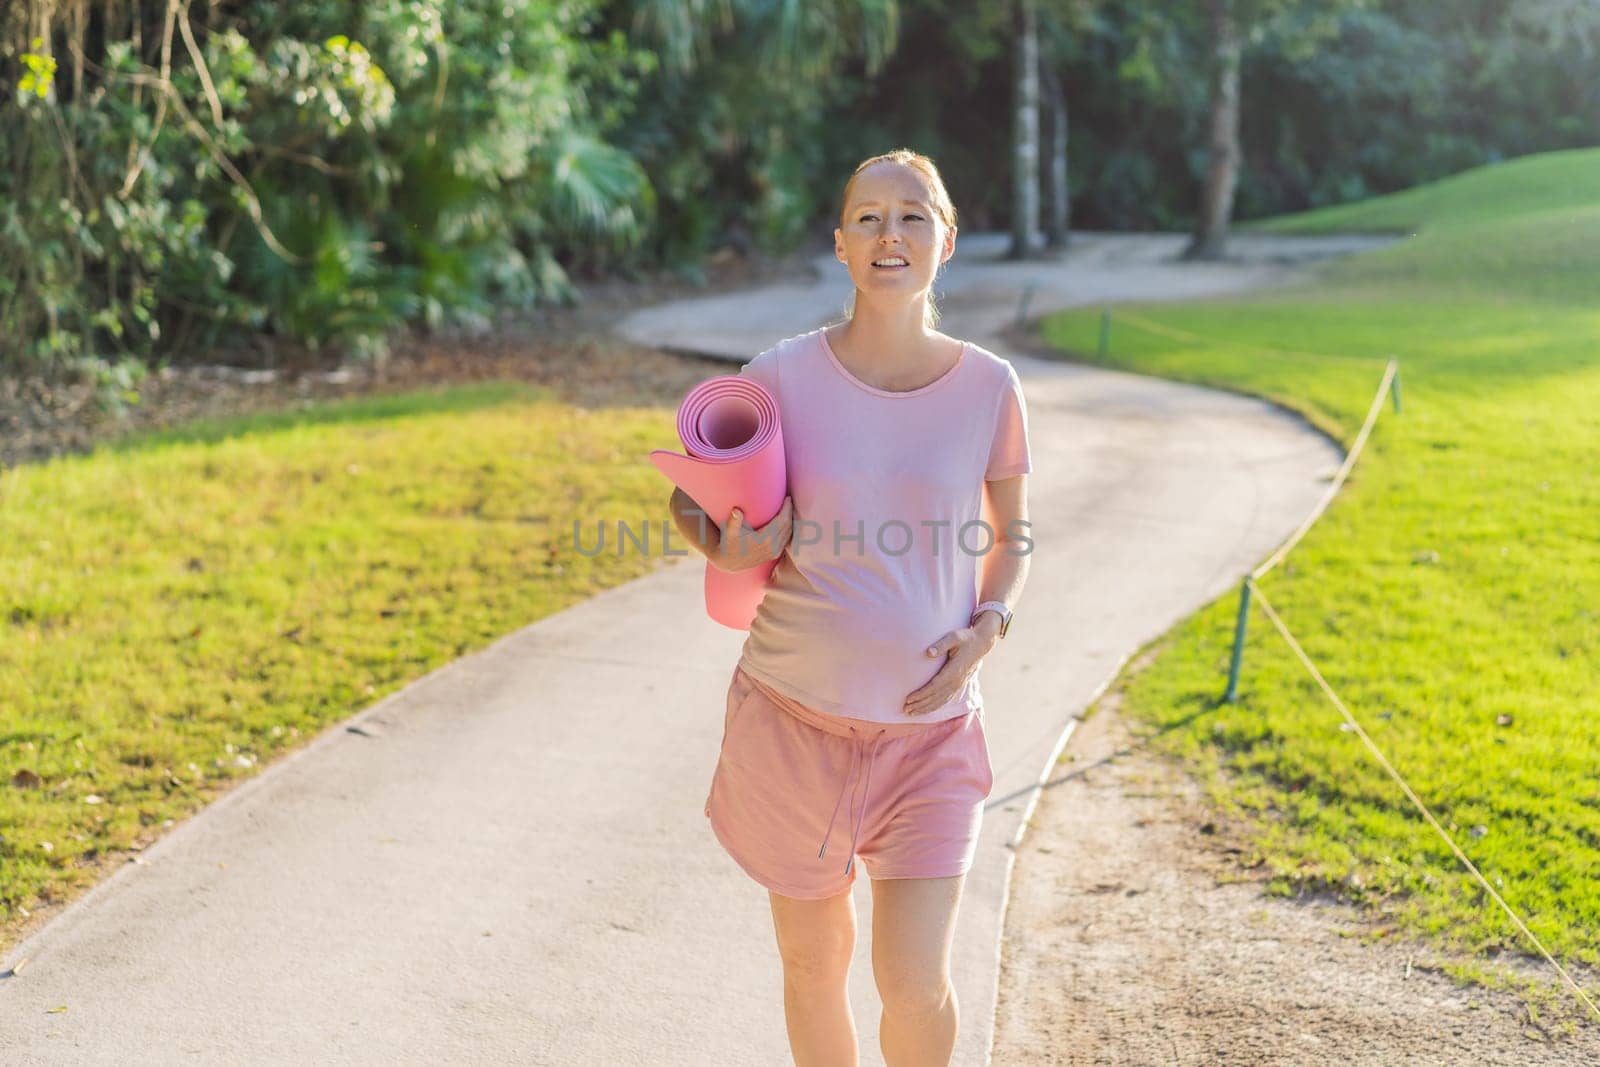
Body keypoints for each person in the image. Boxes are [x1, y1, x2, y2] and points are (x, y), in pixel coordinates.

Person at [667, 148, 1032, 1067]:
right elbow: (687, 496)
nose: (889, 233)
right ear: (840, 244)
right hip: (791, 725)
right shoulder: (781, 373)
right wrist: (725, 542)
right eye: (868, 216)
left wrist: (987, 630)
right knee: (812, 959)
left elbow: (1014, 537)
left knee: (913, 984)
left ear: (945, 241)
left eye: (912, 215)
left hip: (931, 739)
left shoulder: (990, 387)